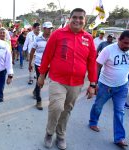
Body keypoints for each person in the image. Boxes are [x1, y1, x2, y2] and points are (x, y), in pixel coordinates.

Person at [37, 8, 97, 149]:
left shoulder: (88, 38)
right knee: (57, 107)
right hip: (57, 80)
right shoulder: (58, 34)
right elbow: (47, 55)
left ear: (85, 20)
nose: (77, 20)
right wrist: (41, 75)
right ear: (69, 19)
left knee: (66, 110)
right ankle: (49, 133)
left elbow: (92, 62)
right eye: (74, 17)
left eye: (81, 18)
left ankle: (61, 135)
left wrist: (93, 84)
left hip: (76, 83)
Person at [89, 30, 129, 148]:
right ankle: (93, 121)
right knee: (98, 105)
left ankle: (119, 138)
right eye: (125, 43)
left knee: (120, 111)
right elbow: (97, 65)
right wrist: (94, 83)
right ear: (118, 40)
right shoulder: (108, 50)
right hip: (105, 85)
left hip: (122, 87)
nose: (128, 46)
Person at [29, 21, 53, 110]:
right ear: (44, 29)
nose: (50, 30)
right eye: (48, 28)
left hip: (49, 65)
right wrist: (30, 63)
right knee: (40, 81)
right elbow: (32, 52)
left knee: (40, 81)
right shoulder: (38, 39)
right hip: (39, 63)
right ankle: (38, 101)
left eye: (51, 28)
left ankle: (35, 91)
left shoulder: (53, 39)